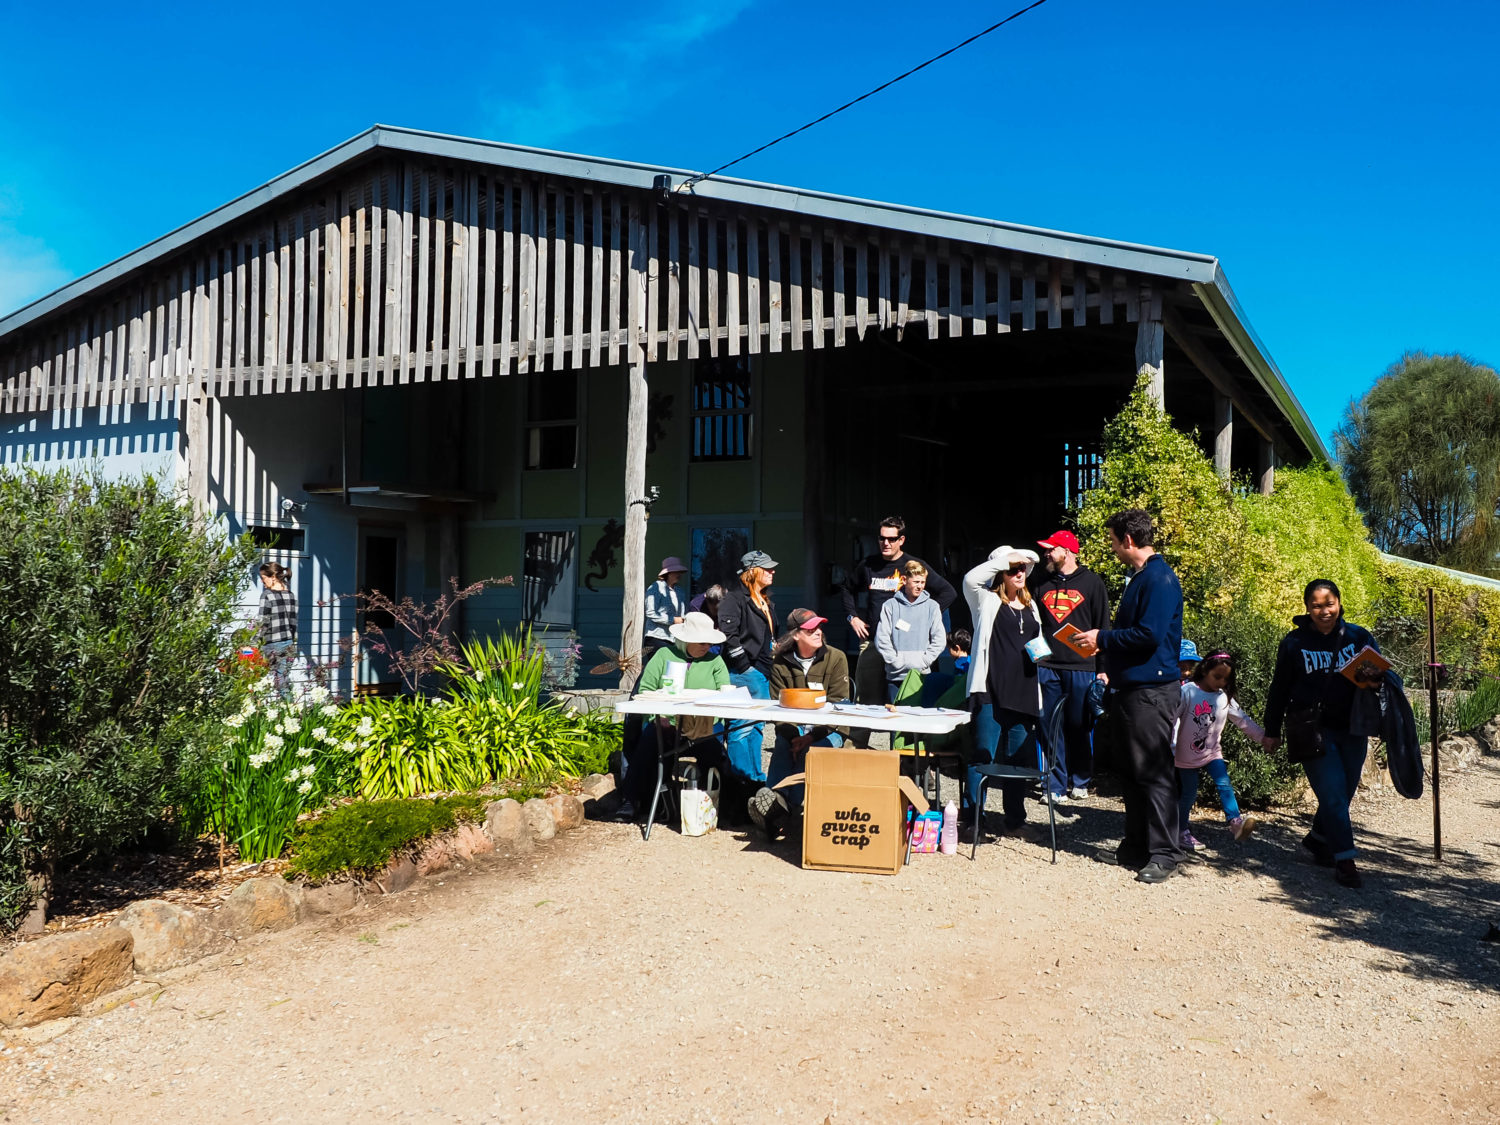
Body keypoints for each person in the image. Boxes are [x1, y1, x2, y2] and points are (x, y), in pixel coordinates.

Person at [1074, 509, 1184, 884]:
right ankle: (1136, 847)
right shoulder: (1142, 578)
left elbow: (1149, 635)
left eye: (1112, 539)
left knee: (1154, 774)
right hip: (1131, 690)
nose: (1112, 546)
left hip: (1152, 692)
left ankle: (1165, 854)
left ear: (1128, 540)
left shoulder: (1159, 579)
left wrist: (1101, 638)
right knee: (1133, 774)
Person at [1262, 579, 1381, 889]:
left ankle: (1317, 839)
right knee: (1331, 793)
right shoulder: (1294, 643)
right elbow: (1279, 689)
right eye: (1316, 605)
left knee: (1343, 794)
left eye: (1329, 603)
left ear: (1339, 603)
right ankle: (1345, 860)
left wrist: (1375, 680)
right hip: (1312, 729)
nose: (1324, 610)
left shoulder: (1358, 637)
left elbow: (1381, 679)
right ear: (1307, 608)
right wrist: (1271, 731)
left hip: (1354, 728)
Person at [961, 546, 1044, 833]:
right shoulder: (985, 600)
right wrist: (1003, 561)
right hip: (991, 691)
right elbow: (970, 579)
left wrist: (1041, 652)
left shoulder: (1031, 605)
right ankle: (974, 817)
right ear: (999, 572)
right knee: (983, 755)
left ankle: (1015, 819)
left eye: (1022, 569)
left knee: (1018, 761)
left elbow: (1033, 557)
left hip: (1024, 691)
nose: (1020, 572)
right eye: (1013, 569)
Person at [748, 609, 852, 836]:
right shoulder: (780, 662)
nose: (818, 632)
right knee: (783, 748)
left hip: (829, 731)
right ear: (796, 635)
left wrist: (810, 737)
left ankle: (781, 807)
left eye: (819, 627)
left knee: (810, 753)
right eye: (811, 629)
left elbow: (839, 706)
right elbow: (778, 707)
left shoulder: (836, 658)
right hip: (793, 730)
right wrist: (793, 736)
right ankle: (774, 804)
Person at [619, 612, 730, 822]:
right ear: (686, 639)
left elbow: (725, 695)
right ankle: (631, 800)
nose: (706, 646)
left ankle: (725, 806)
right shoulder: (663, 656)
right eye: (701, 642)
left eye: (709, 642)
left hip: (702, 726)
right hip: (666, 722)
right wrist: (658, 714)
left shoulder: (715, 661)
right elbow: (645, 691)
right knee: (648, 744)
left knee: (719, 757)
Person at [840, 516, 957, 712]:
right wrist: (853, 617)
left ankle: (903, 744)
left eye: (891, 539)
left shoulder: (913, 566)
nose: (886, 543)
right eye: (882, 538)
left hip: (908, 648)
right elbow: (846, 588)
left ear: (901, 540)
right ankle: (859, 744)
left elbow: (948, 592)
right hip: (873, 643)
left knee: (906, 706)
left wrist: (923, 614)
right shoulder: (868, 565)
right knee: (865, 704)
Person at [1030, 530, 1111, 804]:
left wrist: (1102, 668)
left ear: (1066, 550)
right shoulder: (1040, 583)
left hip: (1083, 666)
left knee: (1080, 724)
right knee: (1050, 726)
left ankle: (1081, 779)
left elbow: (1103, 626)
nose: (1046, 554)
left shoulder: (1092, 583)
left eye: (1051, 549)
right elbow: (1033, 624)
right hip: (1048, 665)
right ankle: (1053, 784)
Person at [1175, 652, 1264, 851]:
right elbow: (1172, 721)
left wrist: (1263, 738)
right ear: (1205, 670)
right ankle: (1180, 831)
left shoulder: (1224, 697)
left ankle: (1236, 823)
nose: (1222, 682)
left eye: (1226, 679)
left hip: (1212, 752)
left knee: (1224, 783)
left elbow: (1242, 720)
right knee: (1188, 794)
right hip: (1185, 756)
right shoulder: (1187, 691)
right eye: (1218, 677)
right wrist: (1168, 747)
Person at [716, 550, 779, 792]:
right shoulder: (734, 599)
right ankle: (740, 782)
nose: (773, 572)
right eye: (767, 568)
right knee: (741, 728)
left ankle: (755, 778)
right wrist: (745, 666)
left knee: (757, 726)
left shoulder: (765, 600)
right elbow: (728, 636)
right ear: (752, 571)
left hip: (762, 671)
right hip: (743, 672)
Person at [873, 560, 946, 703]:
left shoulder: (932, 606)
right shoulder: (890, 606)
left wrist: (924, 661)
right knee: (895, 718)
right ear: (905, 580)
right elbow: (882, 638)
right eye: (916, 582)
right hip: (895, 675)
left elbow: (939, 639)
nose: (920, 586)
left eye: (922, 582)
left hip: (920, 675)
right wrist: (895, 661)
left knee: (918, 720)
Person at [257, 562, 297, 694]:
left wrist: (253, 642)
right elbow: (293, 623)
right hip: (289, 644)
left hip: (272, 644)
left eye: (263, 578)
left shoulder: (267, 595)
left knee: (258, 680)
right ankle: (290, 710)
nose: (263, 583)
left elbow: (263, 623)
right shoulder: (291, 595)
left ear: (273, 577)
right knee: (283, 681)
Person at [642, 556, 689, 667]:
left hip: (674, 638)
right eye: (675, 572)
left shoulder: (680, 591)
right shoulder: (656, 587)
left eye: (680, 572)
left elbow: (682, 613)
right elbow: (650, 612)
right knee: (657, 668)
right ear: (668, 573)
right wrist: (672, 620)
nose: (679, 575)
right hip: (657, 637)